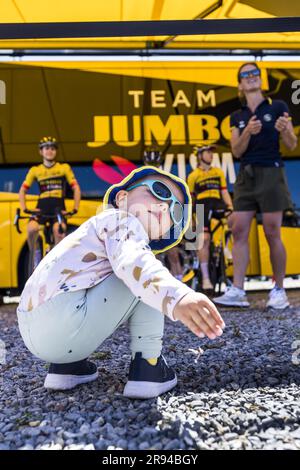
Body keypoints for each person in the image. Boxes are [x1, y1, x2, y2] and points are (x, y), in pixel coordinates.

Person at [17, 166, 225, 399]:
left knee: (125, 272)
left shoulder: (94, 229)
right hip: (64, 318)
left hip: (32, 326)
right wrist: (179, 297)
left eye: (175, 212)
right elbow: (134, 263)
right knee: (145, 273)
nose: (165, 205)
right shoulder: (122, 219)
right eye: (159, 191)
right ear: (122, 198)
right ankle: (148, 366)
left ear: (162, 234)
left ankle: (67, 366)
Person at [214, 62, 297, 309]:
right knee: (239, 230)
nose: (251, 77)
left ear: (260, 80)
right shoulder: (236, 116)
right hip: (246, 176)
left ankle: (279, 291)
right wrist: (248, 131)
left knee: (273, 231)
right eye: (245, 75)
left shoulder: (278, 106)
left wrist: (285, 131)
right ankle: (238, 291)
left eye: (254, 73)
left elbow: (292, 144)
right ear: (240, 84)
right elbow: (237, 150)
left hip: (271, 171)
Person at [19, 137, 81, 253]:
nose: (50, 151)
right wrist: (25, 208)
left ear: (56, 151)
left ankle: (55, 258)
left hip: (58, 207)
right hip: (41, 207)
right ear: (41, 151)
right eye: (46, 148)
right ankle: (33, 253)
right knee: (32, 229)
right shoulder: (35, 170)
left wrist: (75, 208)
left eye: (52, 148)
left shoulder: (64, 168)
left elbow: (76, 188)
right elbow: (22, 190)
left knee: (59, 231)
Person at [187, 145, 233, 290]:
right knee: (203, 239)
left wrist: (230, 206)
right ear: (200, 156)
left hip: (217, 204)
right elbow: (191, 199)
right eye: (208, 152)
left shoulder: (218, 172)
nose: (211, 155)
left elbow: (224, 192)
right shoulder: (193, 176)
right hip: (201, 207)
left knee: (233, 224)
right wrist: (191, 218)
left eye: (212, 152)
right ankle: (206, 279)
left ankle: (226, 250)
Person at [143, 148, 184, 280]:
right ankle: (153, 283)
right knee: (149, 252)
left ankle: (179, 280)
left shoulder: (167, 179)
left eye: (155, 165)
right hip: (148, 217)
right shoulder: (140, 179)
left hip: (166, 216)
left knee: (172, 250)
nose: (153, 168)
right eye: (150, 165)